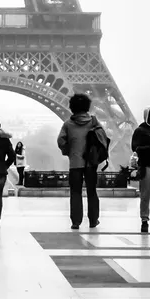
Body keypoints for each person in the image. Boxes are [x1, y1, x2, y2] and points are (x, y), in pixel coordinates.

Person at [56, 93, 108, 230]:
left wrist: (69, 151)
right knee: (92, 191)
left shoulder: (68, 124)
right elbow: (103, 138)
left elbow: (60, 141)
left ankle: (76, 221)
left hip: (75, 163)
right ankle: (93, 220)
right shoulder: (94, 122)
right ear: (87, 106)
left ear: (72, 107)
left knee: (75, 192)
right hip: (91, 163)